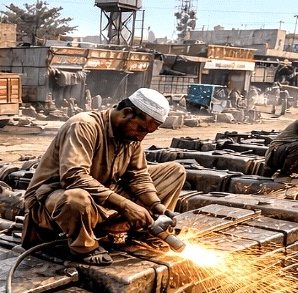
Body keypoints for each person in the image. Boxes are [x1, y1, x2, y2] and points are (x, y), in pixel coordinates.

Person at [22, 88, 186, 266]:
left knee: (175, 172)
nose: (141, 137)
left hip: (103, 196)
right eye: (140, 129)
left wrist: (156, 205)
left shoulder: (130, 138)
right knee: (75, 199)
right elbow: (73, 177)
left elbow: (138, 176)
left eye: (146, 133)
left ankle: (144, 229)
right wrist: (126, 206)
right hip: (54, 200)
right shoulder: (84, 125)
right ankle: (85, 246)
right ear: (126, 113)